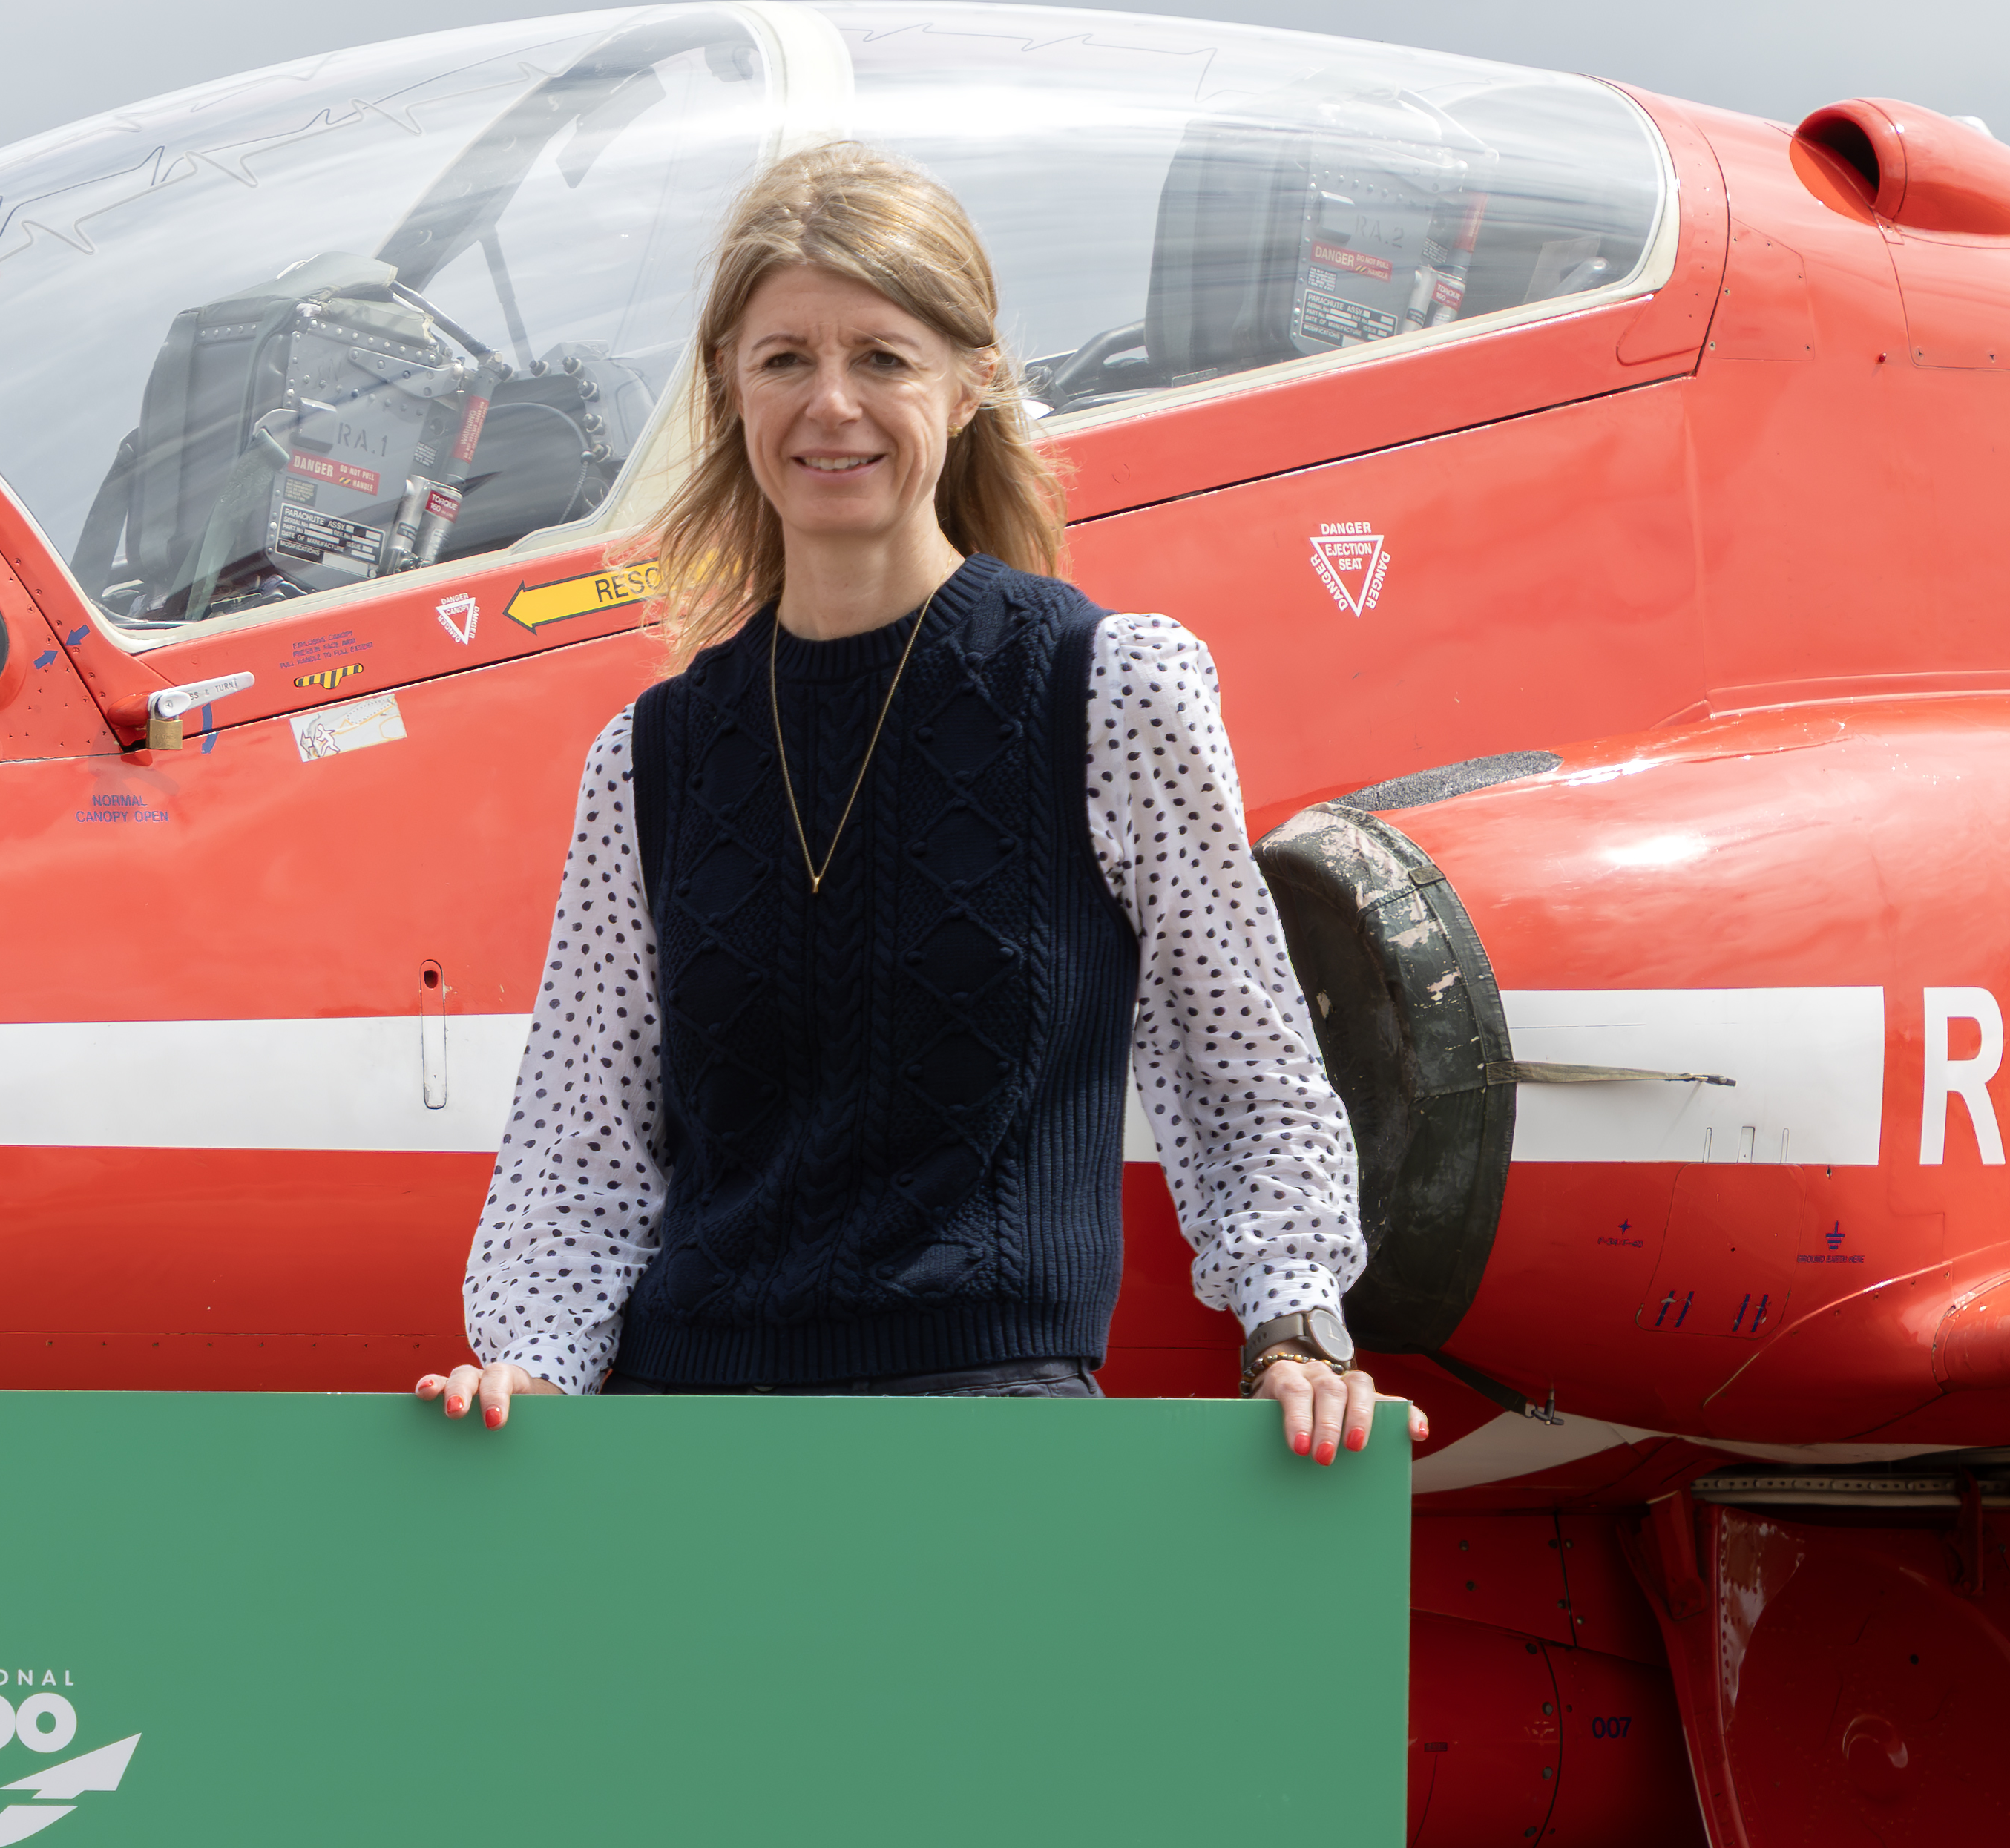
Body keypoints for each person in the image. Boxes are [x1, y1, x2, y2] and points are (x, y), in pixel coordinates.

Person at [414, 143, 1409, 1454]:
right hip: (680, 1450)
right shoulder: (649, 757)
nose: (832, 405)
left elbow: (1240, 1063)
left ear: (973, 383)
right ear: (728, 388)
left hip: (988, 1450)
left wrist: (1296, 1328)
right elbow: (579, 1142)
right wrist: (530, 1367)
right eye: (784, 360)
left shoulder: (1109, 691)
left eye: (882, 357)